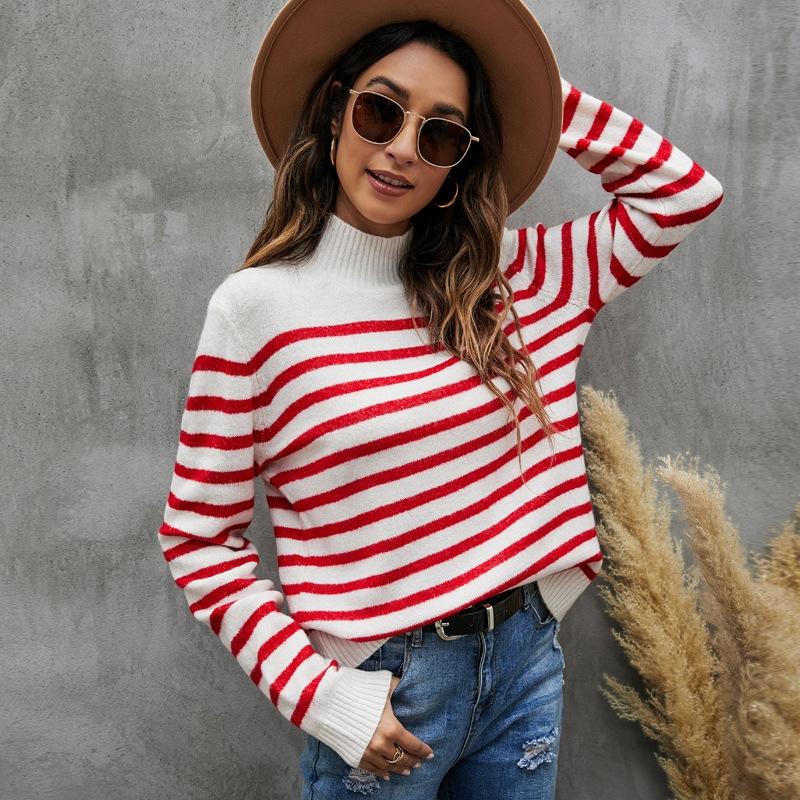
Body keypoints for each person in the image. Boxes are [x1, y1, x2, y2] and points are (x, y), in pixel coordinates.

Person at [156, 1, 724, 798]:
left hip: (526, 663)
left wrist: (536, 95)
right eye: (380, 111)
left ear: (462, 158)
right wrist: (322, 697)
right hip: (387, 691)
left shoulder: (520, 279)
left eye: (441, 134)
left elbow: (684, 194)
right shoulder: (254, 311)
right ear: (335, 113)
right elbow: (198, 537)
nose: (401, 149)